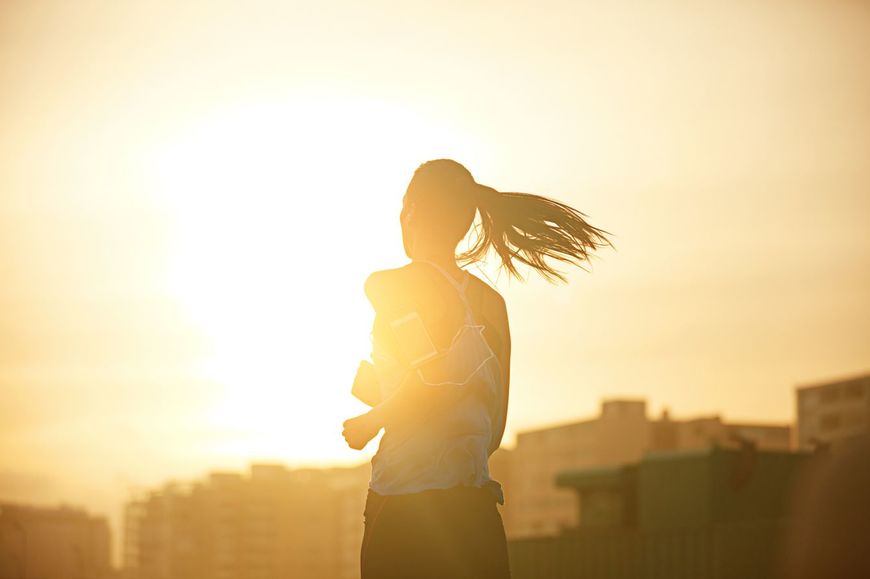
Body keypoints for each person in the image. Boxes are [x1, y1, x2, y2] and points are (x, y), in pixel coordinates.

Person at [341, 159, 613, 579]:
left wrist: (372, 418)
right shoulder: (492, 305)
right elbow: (491, 428)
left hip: (405, 508)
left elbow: (434, 383)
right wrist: (386, 393)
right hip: (475, 514)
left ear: (409, 213)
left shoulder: (390, 285)